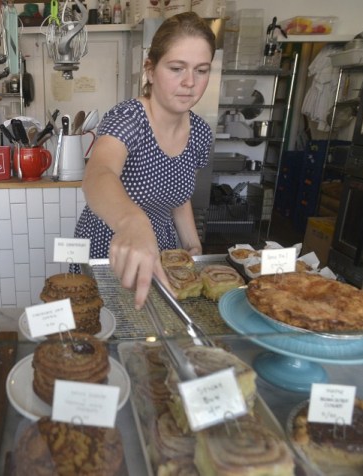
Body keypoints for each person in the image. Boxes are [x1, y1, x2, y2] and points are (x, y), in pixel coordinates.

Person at [74, 12, 215, 309]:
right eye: (177, 68)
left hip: (161, 245)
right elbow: (98, 173)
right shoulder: (128, 119)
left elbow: (178, 194)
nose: (190, 82)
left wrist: (192, 243)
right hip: (110, 241)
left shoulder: (200, 133)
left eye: (201, 70)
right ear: (150, 71)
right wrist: (132, 222)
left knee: (153, 333)